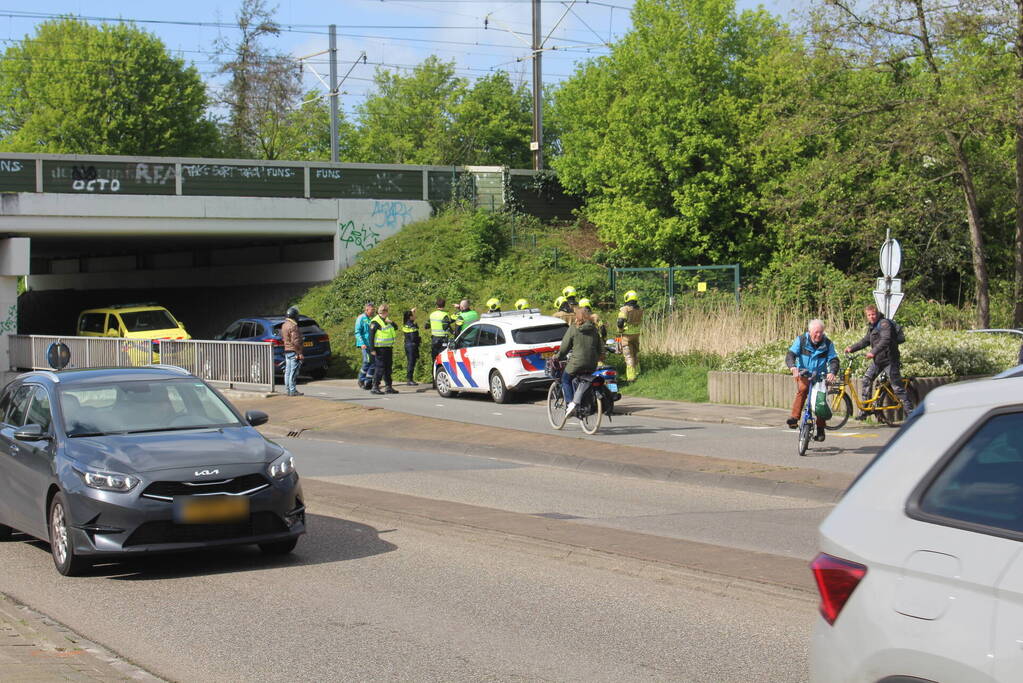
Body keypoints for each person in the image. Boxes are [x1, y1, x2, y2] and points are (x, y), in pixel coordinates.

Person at [845, 304, 914, 418]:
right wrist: (851, 348)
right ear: (866, 316)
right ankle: (866, 411)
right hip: (878, 360)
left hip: (890, 360)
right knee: (867, 379)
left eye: (873, 314)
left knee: (897, 387)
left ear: (877, 314)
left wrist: (873, 352)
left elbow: (886, 340)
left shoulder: (884, 324)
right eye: (869, 315)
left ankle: (911, 414)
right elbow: (865, 341)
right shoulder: (873, 326)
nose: (871, 317)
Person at [785, 319, 839, 442]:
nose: (818, 335)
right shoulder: (801, 340)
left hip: (820, 376)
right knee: (803, 390)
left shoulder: (828, 343)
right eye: (816, 332)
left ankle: (820, 429)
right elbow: (790, 355)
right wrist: (792, 366)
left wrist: (832, 372)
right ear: (809, 332)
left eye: (821, 332)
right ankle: (794, 419)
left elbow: (834, 359)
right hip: (804, 373)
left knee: (820, 401)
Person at [555, 305, 605, 416]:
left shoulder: (573, 328)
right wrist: (600, 357)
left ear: (578, 317)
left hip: (577, 363)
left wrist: (558, 357)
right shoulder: (594, 329)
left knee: (565, 379)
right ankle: (581, 401)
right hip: (592, 363)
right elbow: (600, 347)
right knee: (583, 379)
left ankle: (569, 405)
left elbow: (564, 348)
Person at [369, 303, 399, 395]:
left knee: (388, 368)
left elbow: (396, 327)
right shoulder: (375, 322)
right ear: (384, 312)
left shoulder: (386, 320)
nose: (388, 313)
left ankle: (388, 387)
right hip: (379, 349)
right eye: (387, 311)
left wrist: (391, 322)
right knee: (380, 368)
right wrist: (372, 349)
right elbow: (371, 337)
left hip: (388, 348)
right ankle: (375, 387)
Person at [616, 290, 643, 381]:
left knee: (628, 356)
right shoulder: (639, 309)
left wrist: (620, 329)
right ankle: (638, 372)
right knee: (635, 354)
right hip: (636, 335)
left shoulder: (625, 309)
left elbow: (620, 321)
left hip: (626, 336)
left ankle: (631, 377)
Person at [282, 306, 304, 396]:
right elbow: (295, 341)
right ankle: (292, 390)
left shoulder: (284, 325)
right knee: (293, 372)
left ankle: (288, 389)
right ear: (294, 316)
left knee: (287, 371)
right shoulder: (293, 326)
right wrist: (299, 353)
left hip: (287, 350)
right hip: (294, 351)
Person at [354, 301, 376, 390]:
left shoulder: (372, 319)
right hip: (365, 345)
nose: (373, 311)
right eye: (372, 310)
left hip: (372, 344)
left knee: (373, 363)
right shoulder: (361, 318)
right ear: (366, 310)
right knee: (367, 362)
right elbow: (357, 332)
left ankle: (369, 381)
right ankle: (361, 380)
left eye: (374, 310)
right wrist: (362, 343)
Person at [401, 308, 421, 386]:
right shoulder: (411, 325)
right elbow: (413, 337)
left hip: (408, 345)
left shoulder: (406, 323)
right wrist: (418, 339)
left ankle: (410, 378)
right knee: (411, 362)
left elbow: (407, 314)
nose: (414, 316)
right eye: (413, 315)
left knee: (410, 362)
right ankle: (409, 379)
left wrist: (412, 311)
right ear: (410, 317)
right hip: (412, 345)